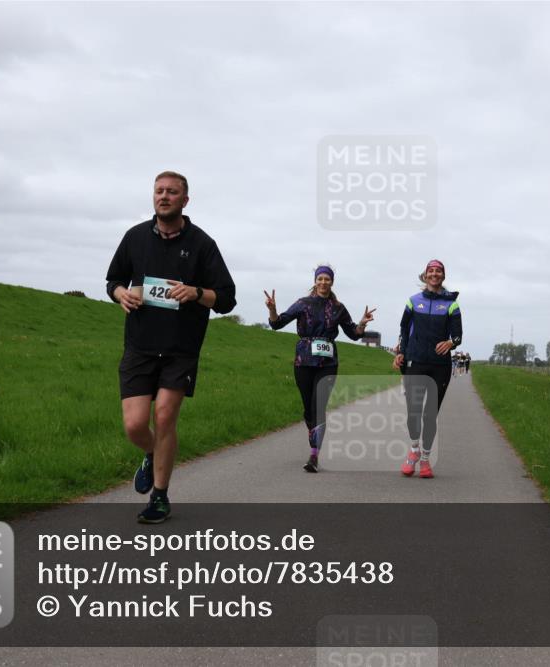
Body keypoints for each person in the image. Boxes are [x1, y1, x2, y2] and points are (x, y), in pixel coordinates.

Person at [106, 171, 236, 523]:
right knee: (135, 425)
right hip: (139, 344)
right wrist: (121, 295)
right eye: (159, 191)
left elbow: (226, 298)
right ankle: (152, 453)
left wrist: (195, 292)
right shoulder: (134, 238)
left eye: (172, 192)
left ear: (185, 200)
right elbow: (113, 280)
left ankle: (160, 497)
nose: (164, 196)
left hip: (181, 348)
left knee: (164, 415)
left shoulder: (202, 244)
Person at [265, 266, 375, 472]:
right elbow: (277, 324)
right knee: (309, 408)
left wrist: (362, 323)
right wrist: (272, 309)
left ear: (332, 282)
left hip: (328, 364)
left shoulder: (338, 307)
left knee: (319, 405)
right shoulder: (302, 303)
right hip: (303, 360)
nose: (324, 282)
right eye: (320, 279)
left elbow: (353, 333)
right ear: (315, 281)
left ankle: (314, 455)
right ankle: (313, 433)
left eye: (327, 279)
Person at [392, 259, 462, 478]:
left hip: (440, 366)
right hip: (416, 361)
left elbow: (458, 334)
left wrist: (452, 343)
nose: (434, 274)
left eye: (438, 271)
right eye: (431, 271)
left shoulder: (451, 304)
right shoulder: (413, 301)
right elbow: (404, 328)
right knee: (413, 411)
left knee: (430, 414)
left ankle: (425, 459)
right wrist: (401, 351)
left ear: (443, 276)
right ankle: (413, 452)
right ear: (425, 275)